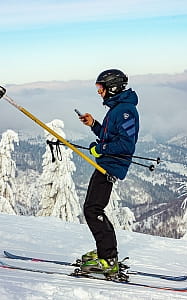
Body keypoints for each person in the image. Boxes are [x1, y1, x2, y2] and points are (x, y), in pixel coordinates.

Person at [78, 69, 139, 276]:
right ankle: (106, 253)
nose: (99, 92)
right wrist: (94, 125)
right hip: (106, 163)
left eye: (100, 88)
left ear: (112, 87)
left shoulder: (125, 111)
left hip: (110, 165)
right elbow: (110, 136)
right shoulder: (117, 109)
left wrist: (100, 149)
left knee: (93, 210)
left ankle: (108, 258)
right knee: (93, 208)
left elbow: (125, 144)